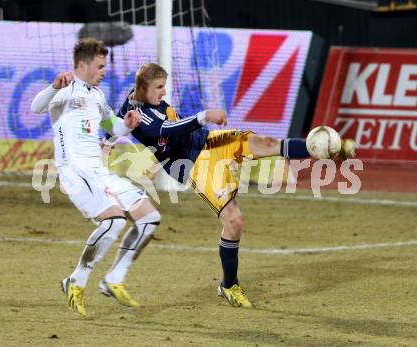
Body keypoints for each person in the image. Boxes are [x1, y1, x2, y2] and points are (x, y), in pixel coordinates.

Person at [107, 62, 356, 308]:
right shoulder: (137, 116)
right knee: (234, 221)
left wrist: (106, 141)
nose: (163, 92)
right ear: (142, 87)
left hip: (208, 141)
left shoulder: (142, 100)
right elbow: (167, 129)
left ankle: (328, 149)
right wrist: (204, 116)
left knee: (266, 142)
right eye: (159, 87)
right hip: (193, 164)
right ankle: (229, 284)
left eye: (164, 86)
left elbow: (114, 129)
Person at [31, 39, 161, 317]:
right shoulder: (64, 89)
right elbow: (36, 107)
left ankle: (114, 279)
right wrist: (54, 87)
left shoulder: (97, 95)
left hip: (99, 170)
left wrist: (125, 124)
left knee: (149, 217)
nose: (104, 70)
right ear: (82, 65)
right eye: (100, 66)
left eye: (105, 65)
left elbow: (110, 125)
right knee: (113, 220)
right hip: (75, 170)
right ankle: (76, 281)